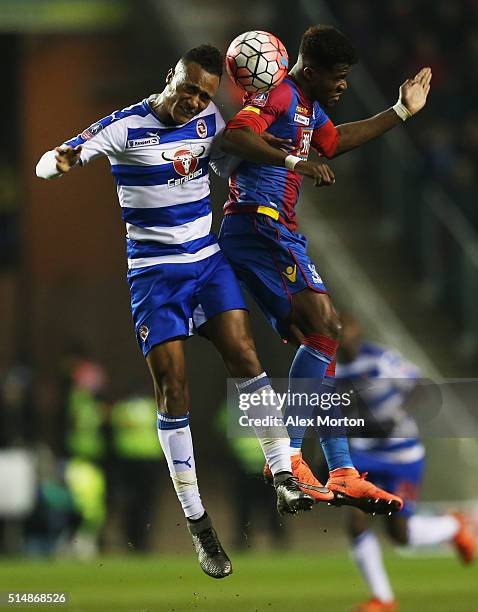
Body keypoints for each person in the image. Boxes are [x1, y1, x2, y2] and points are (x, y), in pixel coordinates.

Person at [35, 44, 317, 579]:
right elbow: (68, 152)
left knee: (244, 353)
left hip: (207, 262)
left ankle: (283, 471)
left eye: (203, 94)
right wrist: (58, 162)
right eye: (187, 88)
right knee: (174, 388)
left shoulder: (210, 119)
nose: (193, 101)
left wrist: (279, 151)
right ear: (171, 78)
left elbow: (236, 146)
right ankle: (199, 524)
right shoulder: (124, 127)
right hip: (155, 275)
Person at [219, 24, 432, 514]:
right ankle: (288, 456)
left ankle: (342, 471)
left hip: (273, 230)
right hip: (260, 223)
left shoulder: (309, 107)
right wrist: (295, 161)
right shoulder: (279, 95)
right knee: (328, 327)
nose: (344, 84)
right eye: (338, 76)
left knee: (322, 347)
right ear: (310, 71)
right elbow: (236, 135)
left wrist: (400, 111)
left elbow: (335, 143)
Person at [336, 313, 475, 612]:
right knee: (356, 523)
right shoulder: (330, 369)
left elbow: (420, 385)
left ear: (356, 329)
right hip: (364, 456)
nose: (341, 335)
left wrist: (396, 417)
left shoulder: (381, 359)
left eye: (344, 328)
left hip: (402, 454)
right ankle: (383, 599)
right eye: (336, 330)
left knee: (400, 535)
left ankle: (453, 525)